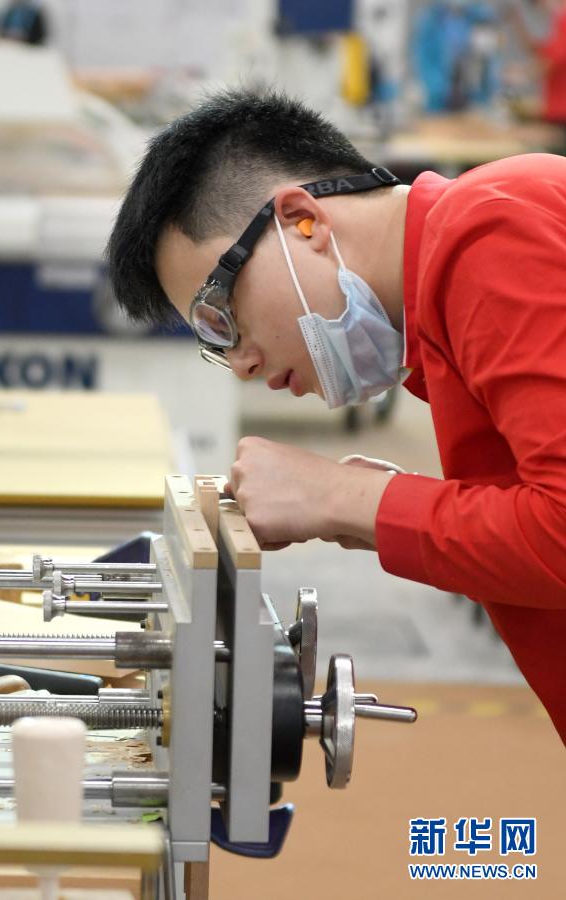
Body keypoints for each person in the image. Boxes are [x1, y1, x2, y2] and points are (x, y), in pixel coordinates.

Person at [106, 90, 566, 744]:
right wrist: (375, 505)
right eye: (214, 342)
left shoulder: (490, 234)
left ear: (303, 220)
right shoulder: (448, 320)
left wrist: (345, 497)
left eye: (221, 315)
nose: (240, 362)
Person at [510, 0, 566, 126]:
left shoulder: (563, 20)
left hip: (561, 112)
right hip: (556, 109)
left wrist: (523, 74)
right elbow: (542, 52)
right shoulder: (558, 22)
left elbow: (552, 62)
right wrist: (517, 23)